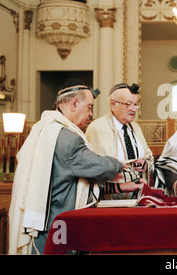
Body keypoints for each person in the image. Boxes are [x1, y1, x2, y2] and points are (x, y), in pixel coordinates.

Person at [8, 80, 128, 255]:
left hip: (38, 220)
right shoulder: (67, 138)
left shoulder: (44, 127)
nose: (91, 114)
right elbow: (97, 165)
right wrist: (119, 165)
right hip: (55, 224)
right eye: (89, 107)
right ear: (74, 104)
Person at [86, 83, 154, 199]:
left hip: (138, 198)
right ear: (113, 105)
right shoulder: (96, 128)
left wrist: (145, 164)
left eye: (136, 104)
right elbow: (91, 168)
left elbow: (149, 158)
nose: (134, 109)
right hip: (110, 200)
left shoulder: (135, 127)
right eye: (128, 104)